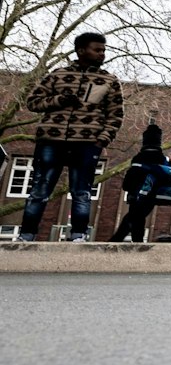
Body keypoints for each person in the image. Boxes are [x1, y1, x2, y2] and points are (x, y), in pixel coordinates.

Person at [16, 32, 124, 241]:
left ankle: (78, 235)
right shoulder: (57, 75)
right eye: (97, 49)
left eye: (103, 50)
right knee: (40, 188)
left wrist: (102, 139)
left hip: (86, 143)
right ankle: (27, 235)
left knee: (82, 191)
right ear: (81, 50)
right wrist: (60, 100)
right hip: (51, 140)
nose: (102, 53)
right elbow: (33, 102)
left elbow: (116, 114)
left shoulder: (109, 81)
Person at [110, 120, 171, 242]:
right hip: (154, 194)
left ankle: (123, 241)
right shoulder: (164, 159)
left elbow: (131, 177)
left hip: (137, 194)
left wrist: (128, 188)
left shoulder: (139, 157)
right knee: (136, 217)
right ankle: (126, 241)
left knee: (135, 217)